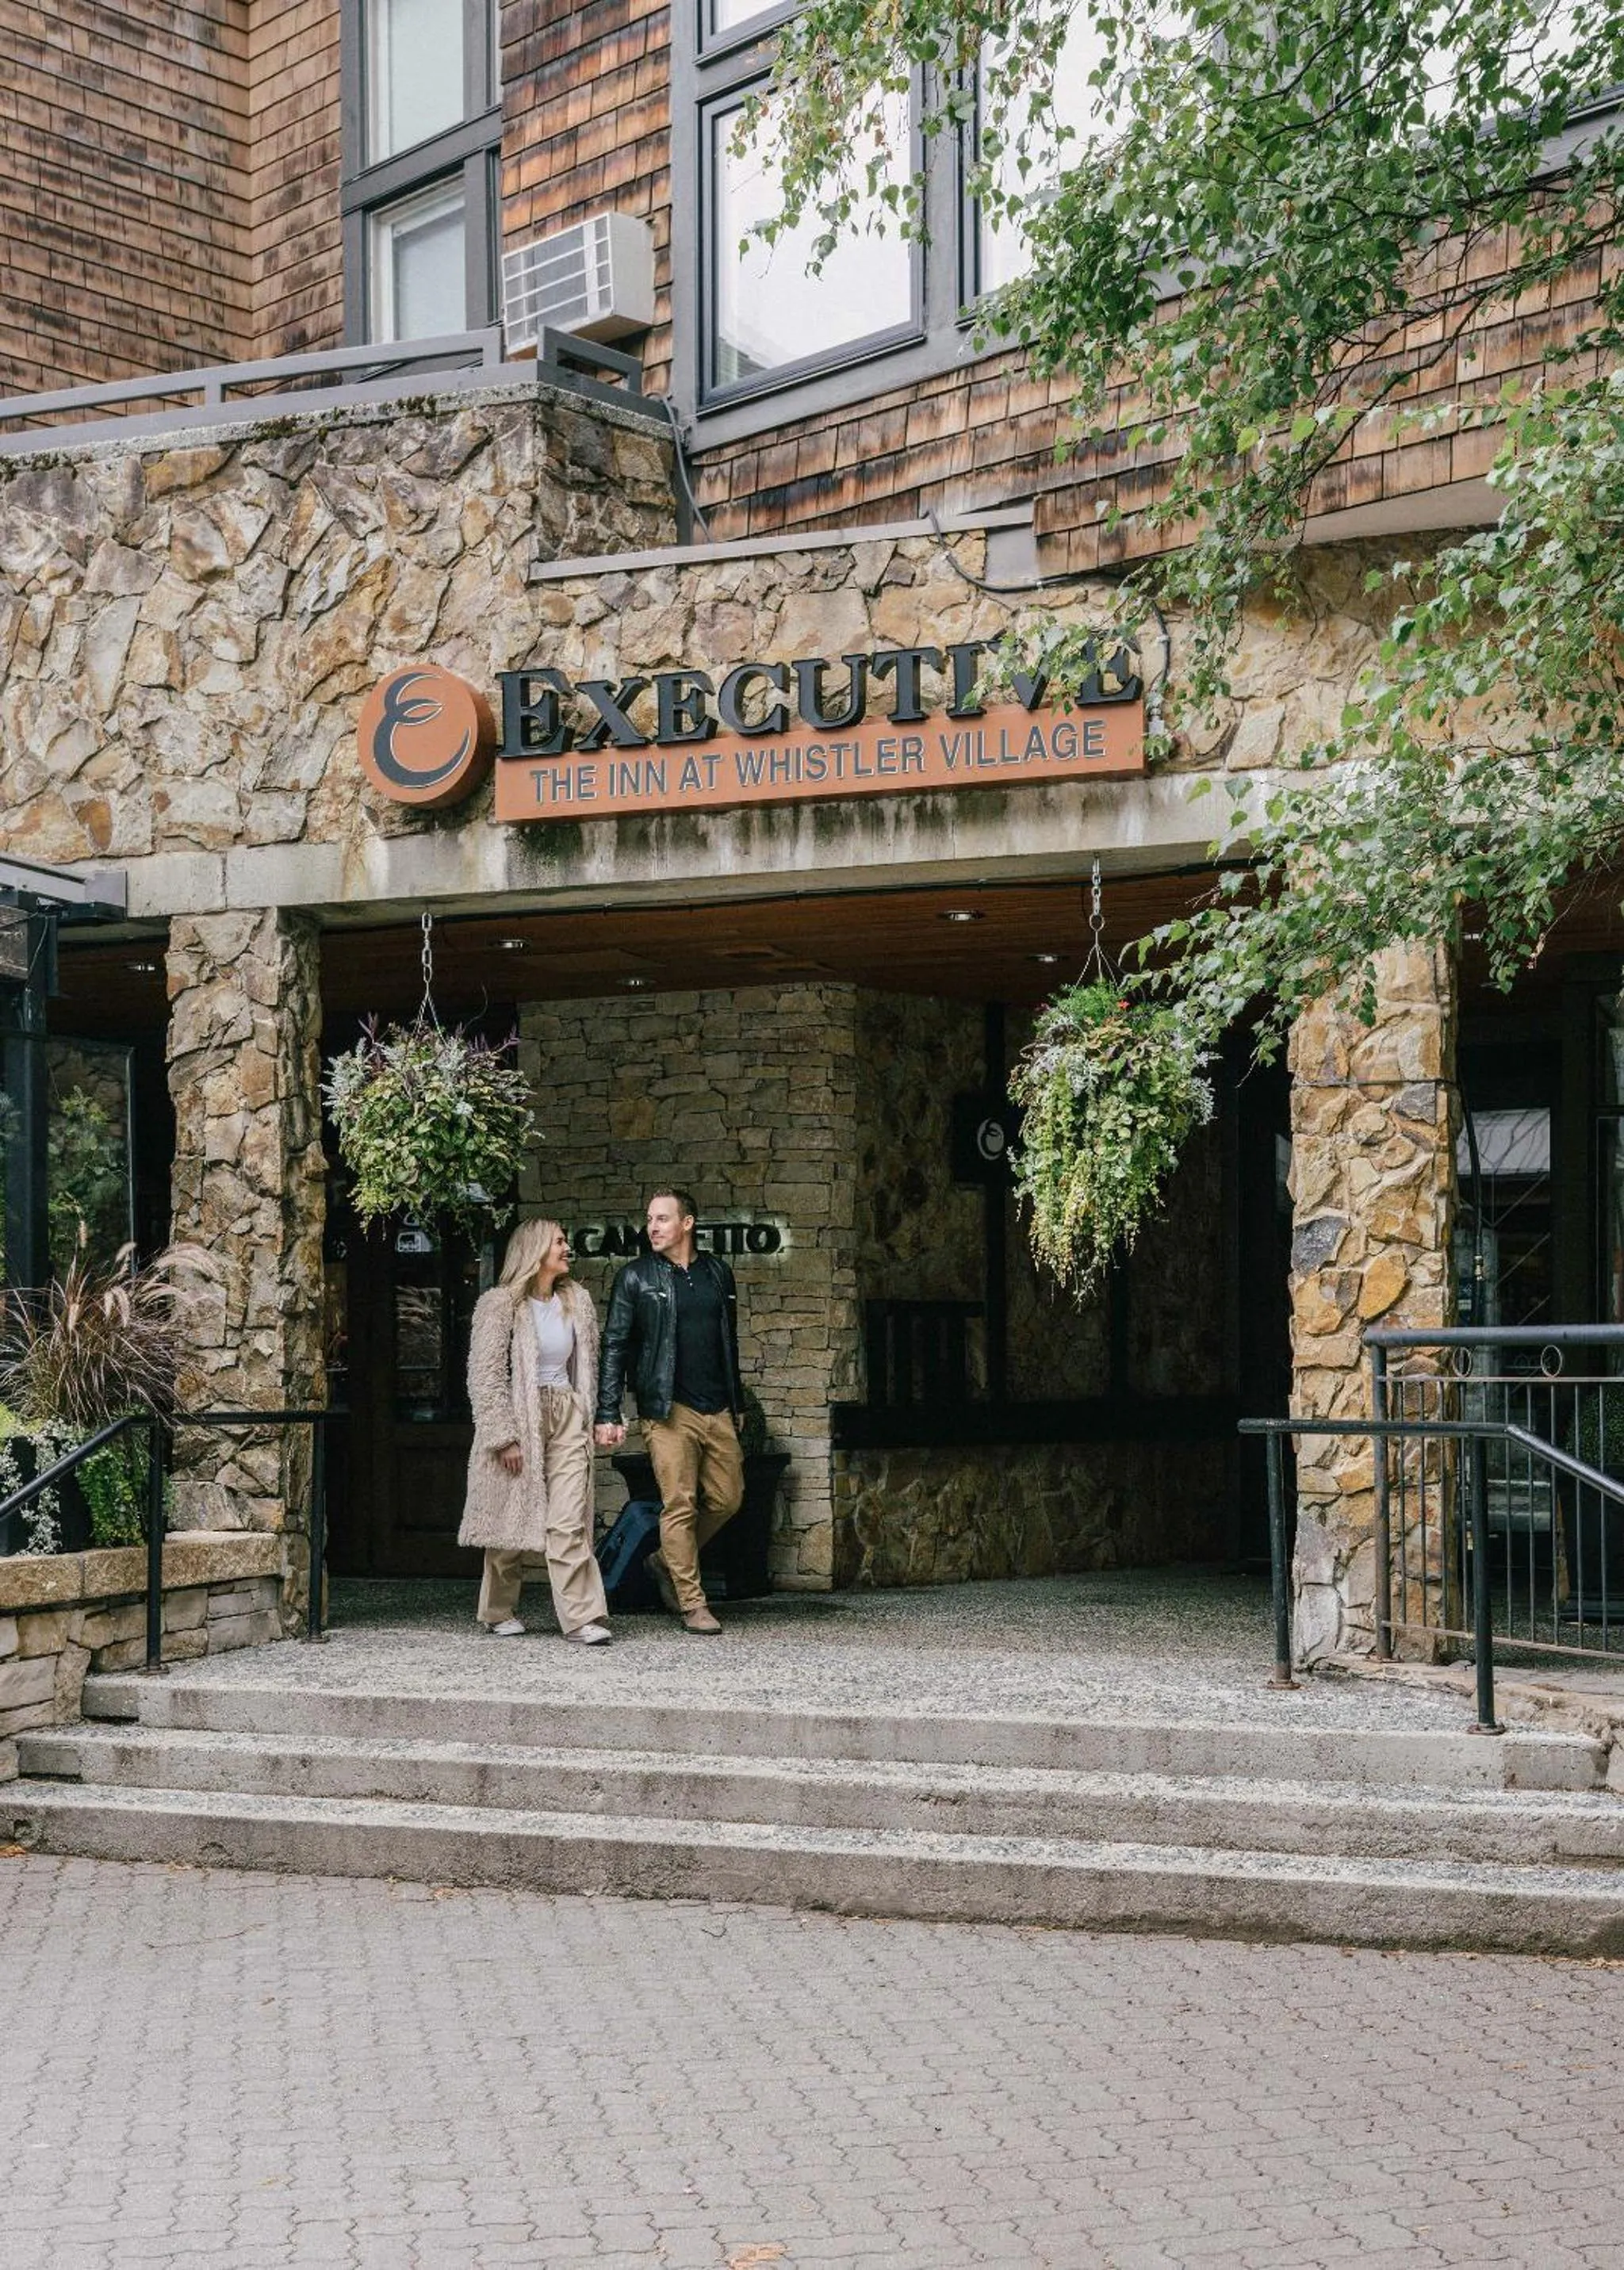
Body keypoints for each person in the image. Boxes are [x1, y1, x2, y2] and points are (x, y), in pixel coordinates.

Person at [594, 1187, 744, 1636]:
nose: (652, 1227)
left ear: (687, 1223)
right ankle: (692, 1602)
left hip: (715, 1406)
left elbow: (728, 1343)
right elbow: (615, 1347)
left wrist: (736, 1402)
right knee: (680, 1505)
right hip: (667, 1409)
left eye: (662, 1219)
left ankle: (665, 1561)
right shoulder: (635, 1277)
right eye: (649, 1219)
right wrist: (609, 1410)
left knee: (728, 1497)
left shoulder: (718, 1273)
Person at [459, 1216, 612, 1645]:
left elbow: (586, 1367)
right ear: (536, 1250)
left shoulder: (576, 1301)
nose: (567, 1248)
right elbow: (484, 1374)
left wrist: (587, 1413)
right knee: (512, 1513)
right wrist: (502, 1436)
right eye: (559, 1241)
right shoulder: (499, 1304)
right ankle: (497, 1610)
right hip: (519, 1415)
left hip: (565, 1411)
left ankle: (581, 1618)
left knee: (568, 1519)